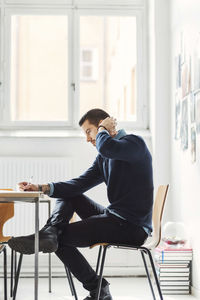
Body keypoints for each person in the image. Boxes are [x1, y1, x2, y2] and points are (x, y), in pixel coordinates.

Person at [8, 108, 154, 300]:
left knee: (57, 241)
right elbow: (78, 184)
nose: (87, 139)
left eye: (89, 132)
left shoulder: (134, 144)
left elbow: (107, 147)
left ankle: (97, 287)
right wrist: (41, 187)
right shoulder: (104, 157)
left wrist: (102, 129)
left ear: (104, 125)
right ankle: (49, 232)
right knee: (70, 196)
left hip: (132, 227)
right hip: (115, 218)